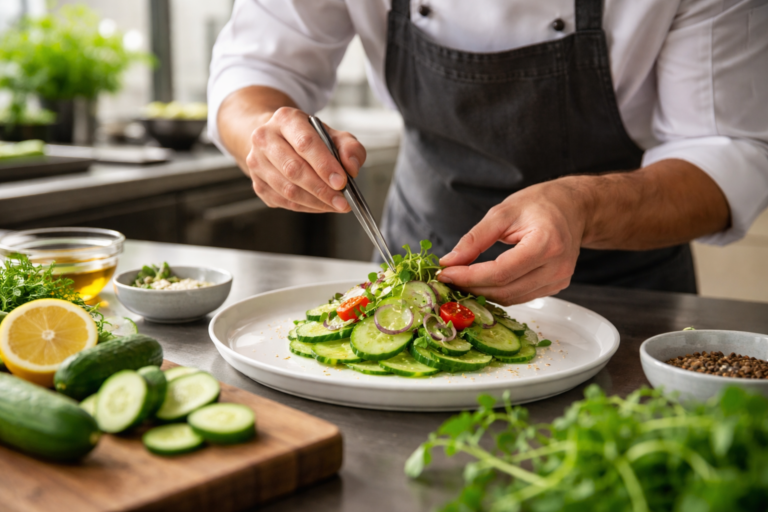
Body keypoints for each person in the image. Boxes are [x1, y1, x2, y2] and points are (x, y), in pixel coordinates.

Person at [208, 0, 768, 305]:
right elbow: (256, 70)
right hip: (414, 267)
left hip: (623, 291)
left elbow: (728, 151)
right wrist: (268, 131)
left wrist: (583, 206)